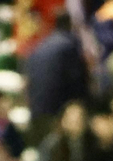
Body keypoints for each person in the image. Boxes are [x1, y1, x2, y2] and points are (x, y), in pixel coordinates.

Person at [24, 12, 89, 141]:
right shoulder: (69, 44)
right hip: (54, 110)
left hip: (35, 106)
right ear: (70, 25)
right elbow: (76, 79)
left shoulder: (42, 43)